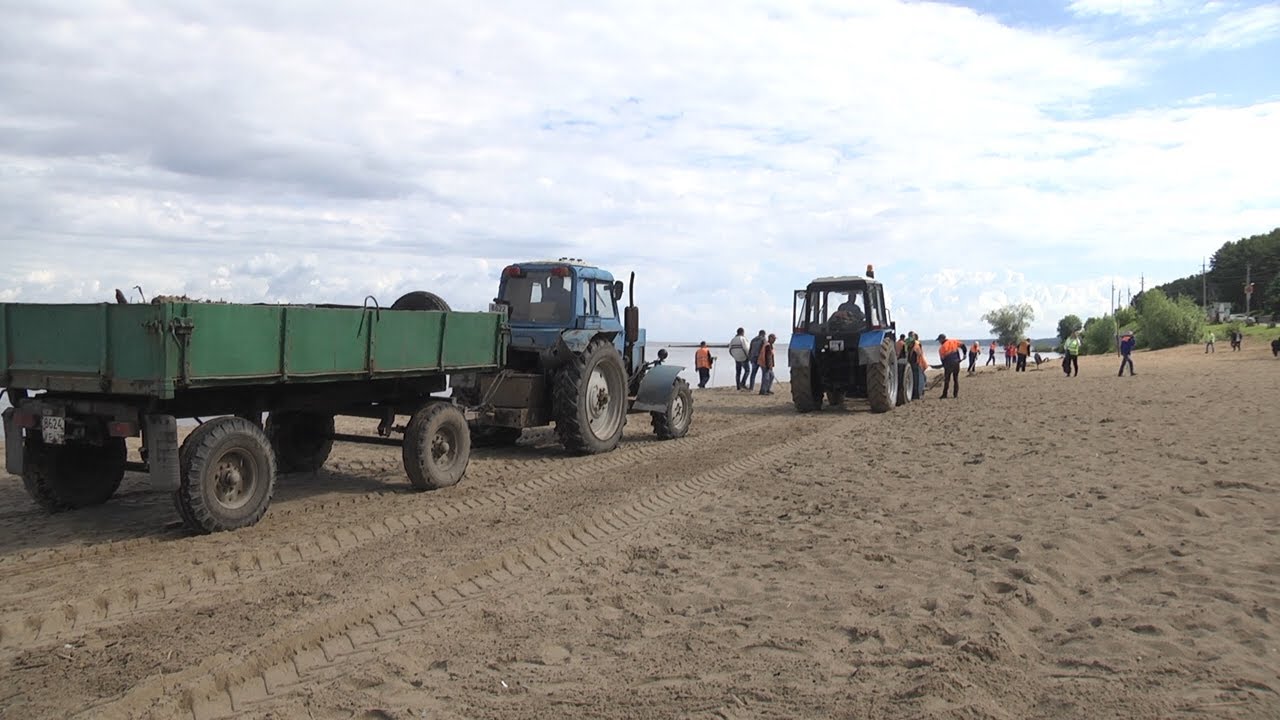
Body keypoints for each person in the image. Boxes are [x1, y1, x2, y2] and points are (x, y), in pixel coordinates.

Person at [936, 334, 965, 398]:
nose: (939, 342)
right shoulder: (954, 341)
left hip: (948, 364)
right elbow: (963, 346)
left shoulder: (941, 348)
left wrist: (944, 365)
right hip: (956, 363)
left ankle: (945, 394)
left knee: (947, 380)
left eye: (939, 340)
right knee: (955, 379)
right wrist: (964, 354)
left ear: (942, 339)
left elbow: (942, 359)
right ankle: (955, 395)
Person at [913, 332, 928, 399]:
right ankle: (919, 393)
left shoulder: (908, 343)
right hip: (918, 362)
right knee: (921, 378)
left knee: (920, 378)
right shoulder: (917, 343)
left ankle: (919, 392)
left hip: (915, 362)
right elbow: (919, 354)